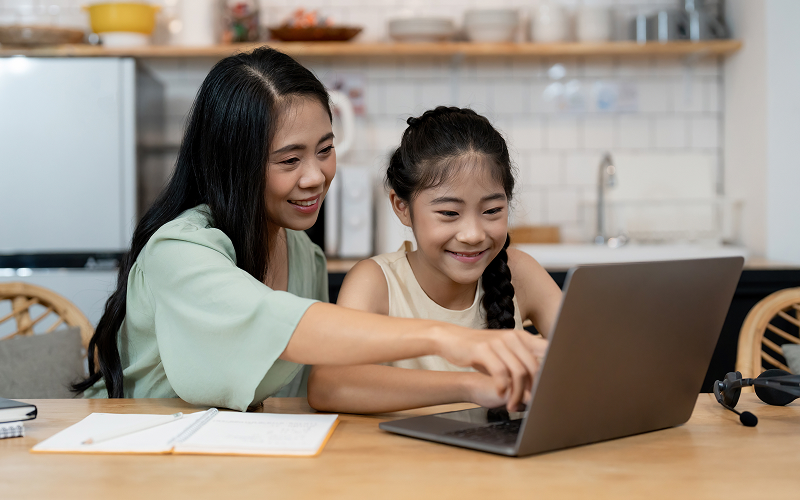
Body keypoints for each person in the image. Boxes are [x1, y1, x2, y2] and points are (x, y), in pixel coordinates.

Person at [73, 49, 545, 413]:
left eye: (324, 149)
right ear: (235, 166)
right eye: (289, 160)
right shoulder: (180, 252)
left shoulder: (301, 251)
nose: (316, 175)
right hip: (131, 450)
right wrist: (451, 340)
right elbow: (278, 323)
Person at [307, 107, 563, 414]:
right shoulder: (375, 282)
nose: (472, 234)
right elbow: (328, 385)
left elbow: (593, 359)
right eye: (449, 214)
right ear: (401, 206)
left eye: (492, 211)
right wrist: (469, 387)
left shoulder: (521, 271)